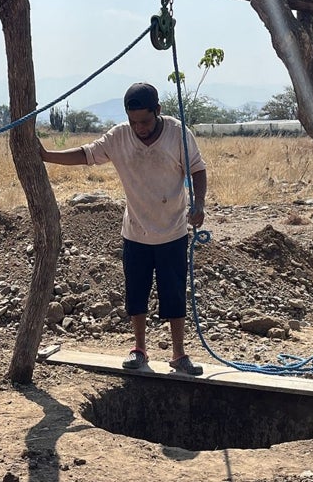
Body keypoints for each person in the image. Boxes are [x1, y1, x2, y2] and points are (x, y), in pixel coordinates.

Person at [39, 82, 208, 375]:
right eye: (134, 122)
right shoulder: (119, 137)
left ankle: (179, 354)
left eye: (145, 121)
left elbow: (197, 168)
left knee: (174, 295)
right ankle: (139, 349)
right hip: (136, 233)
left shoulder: (177, 134)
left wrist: (200, 204)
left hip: (173, 231)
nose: (139, 128)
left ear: (158, 111)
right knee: (136, 294)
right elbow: (86, 154)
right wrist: (47, 155)